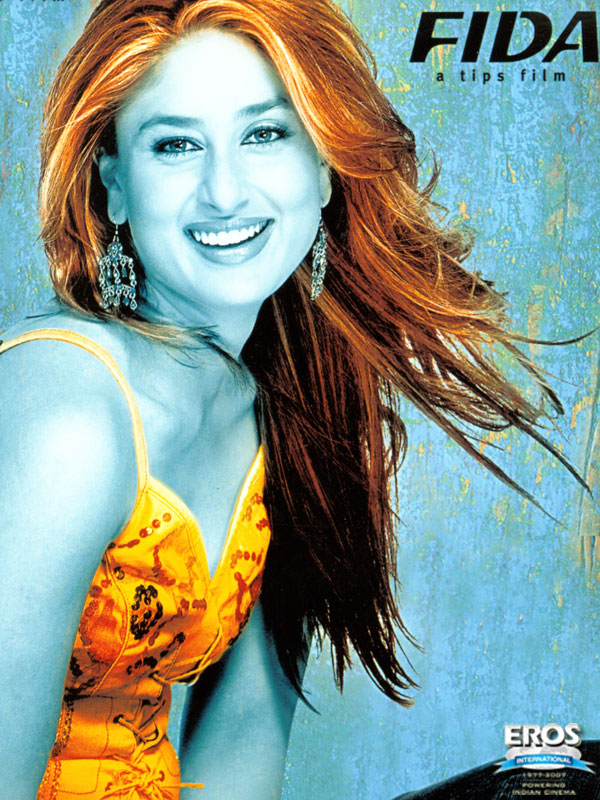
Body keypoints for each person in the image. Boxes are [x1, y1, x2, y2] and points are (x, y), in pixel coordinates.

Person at [0, 0, 580, 798]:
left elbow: (242, 746)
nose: (224, 192)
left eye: (265, 133)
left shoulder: (284, 407)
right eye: (175, 145)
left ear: (325, 165)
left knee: (561, 774)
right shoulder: (65, 415)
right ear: (115, 188)